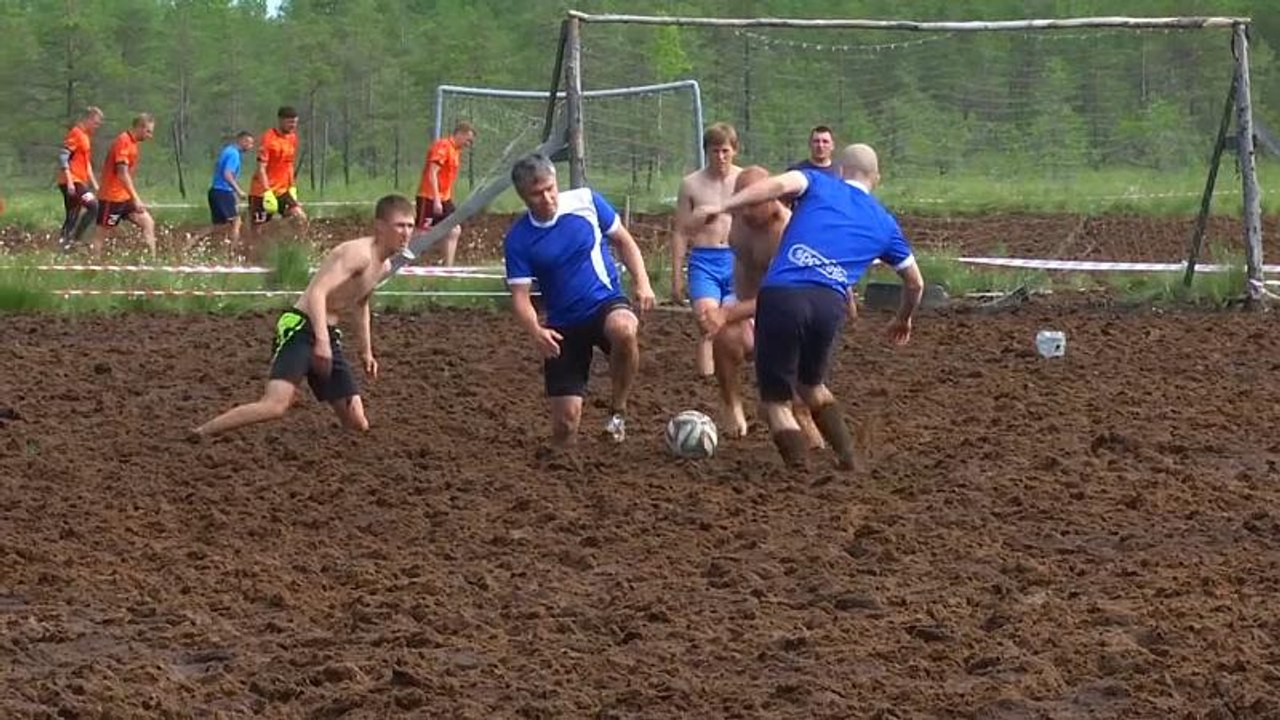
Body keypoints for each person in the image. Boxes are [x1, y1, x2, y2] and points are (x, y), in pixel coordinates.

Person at [692, 144, 924, 470]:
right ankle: (848, 456)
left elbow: (774, 186)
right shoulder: (887, 224)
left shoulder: (817, 181)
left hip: (783, 294)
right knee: (812, 385)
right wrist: (904, 318)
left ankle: (798, 469)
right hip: (829, 302)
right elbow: (916, 283)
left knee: (775, 401)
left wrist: (723, 205)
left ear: (840, 170)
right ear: (877, 179)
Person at [191, 194, 416, 439]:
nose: (406, 233)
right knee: (275, 405)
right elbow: (317, 293)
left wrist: (366, 351)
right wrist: (321, 342)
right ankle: (203, 431)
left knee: (358, 424)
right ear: (381, 226)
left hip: (327, 334)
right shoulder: (357, 254)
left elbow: (361, 303)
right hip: (300, 326)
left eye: (410, 226)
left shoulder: (382, 267)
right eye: (400, 225)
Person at [503, 152, 656, 448]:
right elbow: (520, 298)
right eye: (537, 194)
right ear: (523, 197)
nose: (547, 198)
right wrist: (536, 331)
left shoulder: (587, 201)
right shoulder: (519, 239)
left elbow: (624, 241)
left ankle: (618, 412)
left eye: (550, 188)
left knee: (624, 328)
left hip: (604, 302)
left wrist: (643, 282)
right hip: (563, 324)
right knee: (565, 425)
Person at [698, 165, 826, 447]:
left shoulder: (789, 232)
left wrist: (727, 312)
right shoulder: (739, 217)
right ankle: (731, 404)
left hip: (787, 311)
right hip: (750, 305)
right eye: (741, 200)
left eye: (752, 202)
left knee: (795, 411)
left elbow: (779, 296)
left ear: (771, 198)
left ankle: (801, 420)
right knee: (725, 339)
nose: (745, 211)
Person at [671, 122, 742, 377]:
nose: (720, 157)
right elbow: (680, 231)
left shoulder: (744, 180)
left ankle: (729, 377)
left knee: (733, 322)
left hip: (737, 259)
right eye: (714, 151)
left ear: (734, 150)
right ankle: (704, 383)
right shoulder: (691, 184)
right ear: (706, 152)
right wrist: (677, 276)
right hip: (704, 259)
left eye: (725, 151)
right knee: (706, 321)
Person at [91, 113, 158, 259]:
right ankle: (93, 264)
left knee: (148, 222)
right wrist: (136, 198)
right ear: (139, 127)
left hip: (124, 197)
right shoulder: (123, 141)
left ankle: (151, 261)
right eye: (148, 131)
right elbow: (122, 173)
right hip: (112, 197)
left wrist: (131, 197)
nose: (150, 136)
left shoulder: (134, 144)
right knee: (101, 234)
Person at [416, 121, 475, 267]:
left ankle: (448, 268)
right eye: (468, 140)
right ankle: (403, 261)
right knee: (421, 232)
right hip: (429, 196)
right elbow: (432, 173)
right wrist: (436, 199)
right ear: (460, 133)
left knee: (454, 229)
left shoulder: (456, 151)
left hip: (444, 198)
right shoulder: (443, 146)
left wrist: (446, 199)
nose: (468, 144)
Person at [185, 131, 255, 256]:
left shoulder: (227, 150)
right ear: (242, 141)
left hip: (216, 191)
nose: (251, 147)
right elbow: (227, 174)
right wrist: (238, 191)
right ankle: (233, 253)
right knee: (236, 222)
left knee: (217, 226)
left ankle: (191, 241)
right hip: (223, 192)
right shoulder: (234, 155)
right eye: (249, 143)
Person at [248, 106, 307, 252]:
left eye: (295, 123)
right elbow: (261, 168)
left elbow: (289, 164)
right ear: (280, 121)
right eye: (289, 123)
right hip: (261, 191)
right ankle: (251, 255)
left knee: (300, 219)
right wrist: (267, 192)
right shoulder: (268, 139)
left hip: (282, 191)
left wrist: (292, 187)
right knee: (257, 230)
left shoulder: (292, 138)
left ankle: (291, 251)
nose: (292, 126)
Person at [55, 106, 104, 252]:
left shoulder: (86, 136)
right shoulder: (75, 133)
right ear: (88, 118)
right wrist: (70, 181)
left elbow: (86, 162)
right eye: (95, 122)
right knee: (93, 206)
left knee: (73, 213)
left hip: (79, 181)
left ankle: (65, 245)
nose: (97, 126)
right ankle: (75, 239)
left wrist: (95, 184)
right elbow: (63, 156)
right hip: (71, 181)